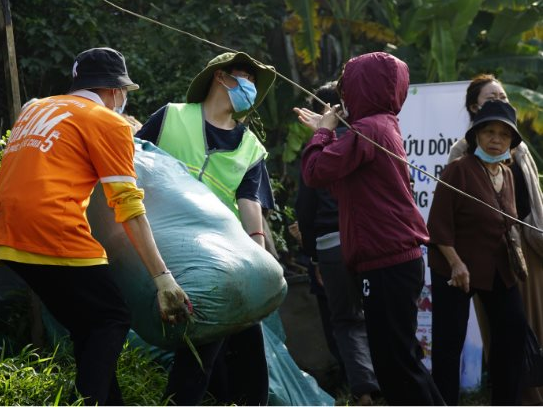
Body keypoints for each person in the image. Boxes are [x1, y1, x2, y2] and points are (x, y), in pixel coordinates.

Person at [0, 47, 191, 406]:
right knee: (112, 318)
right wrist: (163, 279)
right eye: (125, 92)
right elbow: (127, 205)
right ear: (114, 90)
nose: (124, 100)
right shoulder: (107, 121)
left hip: (4, 230)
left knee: (89, 326)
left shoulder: (36, 108)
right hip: (51, 225)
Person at [294, 52, 444, 405]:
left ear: (364, 87)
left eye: (349, 85)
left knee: (397, 366)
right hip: (392, 259)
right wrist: (328, 134)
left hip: (387, 261)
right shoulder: (382, 125)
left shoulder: (368, 130)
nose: (345, 95)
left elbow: (315, 172)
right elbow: (343, 181)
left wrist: (322, 132)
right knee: (400, 361)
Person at [136, 51, 276, 406]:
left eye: (253, 86)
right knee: (211, 336)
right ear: (220, 77)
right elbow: (129, 159)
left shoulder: (250, 148)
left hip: (218, 251)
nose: (250, 89)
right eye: (245, 78)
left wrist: (259, 261)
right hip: (158, 241)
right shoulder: (172, 117)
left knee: (241, 332)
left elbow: (249, 206)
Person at [447, 74, 543, 405]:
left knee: (525, 327)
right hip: (478, 259)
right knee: (486, 334)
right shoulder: (461, 155)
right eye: (491, 98)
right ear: (475, 107)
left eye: (503, 96)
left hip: (525, 249)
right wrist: (456, 260)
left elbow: (531, 202)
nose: (500, 101)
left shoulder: (519, 148)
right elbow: (446, 217)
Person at [428, 100, 528, 405]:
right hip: (454, 267)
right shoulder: (458, 170)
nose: (496, 140)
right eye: (489, 132)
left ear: (512, 142)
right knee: (449, 344)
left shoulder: (508, 174)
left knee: (513, 333)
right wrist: (456, 264)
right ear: (476, 137)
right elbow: (438, 224)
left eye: (503, 134)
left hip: (497, 267)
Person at [294, 81, 380, 406]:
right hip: (372, 242)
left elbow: (306, 209)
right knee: (379, 315)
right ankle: (393, 383)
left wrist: (313, 257)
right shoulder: (371, 141)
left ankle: (364, 392)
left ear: (327, 113)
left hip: (331, 247)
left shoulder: (320, 151)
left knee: (346, 320)